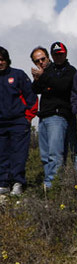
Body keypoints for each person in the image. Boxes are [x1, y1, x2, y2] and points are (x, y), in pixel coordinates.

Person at [31, 42, 76, 190]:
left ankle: (53, 185)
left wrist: (44, 78)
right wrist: (38, 78)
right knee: (45, 156)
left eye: (43, 59)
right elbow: (35, 90)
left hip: (58, 116)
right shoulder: (46, 73)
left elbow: (62, 86)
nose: (41, 62)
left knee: (55, 154)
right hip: (43, 116)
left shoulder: (69, 70)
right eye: (37, 61)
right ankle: (48, 184)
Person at [0, 46, 37, 196]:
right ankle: (3, 183)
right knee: (2, 154)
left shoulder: (18, 75)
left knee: (18, 154)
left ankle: (17, 183)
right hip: (1, 124)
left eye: (2, 59)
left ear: (7, 60)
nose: (0, 62)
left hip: (18, 122)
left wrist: (28, 117)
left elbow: (31, 98)